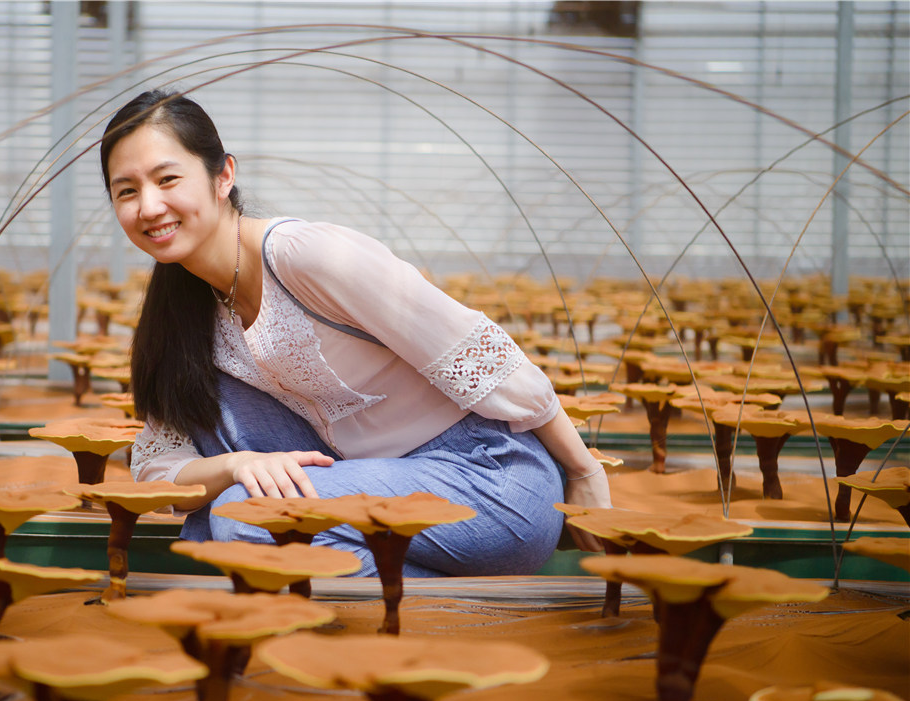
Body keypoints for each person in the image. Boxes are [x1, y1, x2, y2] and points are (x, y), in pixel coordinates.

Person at [101, 88, 612, 577]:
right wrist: (238, 464)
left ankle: (432, 595)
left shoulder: (305, 255)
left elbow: (484, 354)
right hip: (377, 476)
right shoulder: (186, 311)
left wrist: (583, 471)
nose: (149, 206)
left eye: (168, 179)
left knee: (243, 518)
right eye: (127, 190)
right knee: (232, 510)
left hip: (489, 478)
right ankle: (401, 584)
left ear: (223, 176)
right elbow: (159, 463)